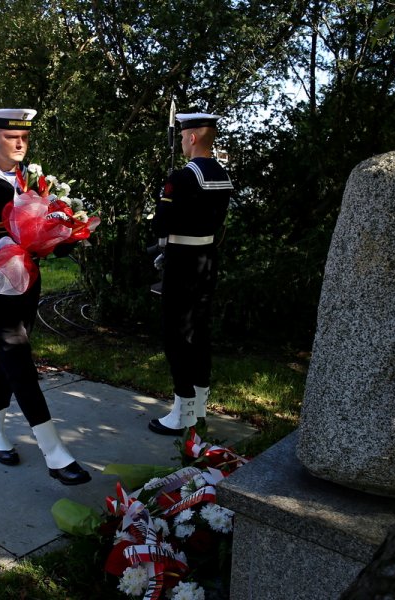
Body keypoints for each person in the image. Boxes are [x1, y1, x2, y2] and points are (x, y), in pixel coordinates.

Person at [0, 108, 91, 486]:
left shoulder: (32, 179)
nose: (21, 143)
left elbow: (43, 229)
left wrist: (59, 239)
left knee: (6, 358)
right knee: (18, 355)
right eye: (12, 137)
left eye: (25, 137)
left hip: (29, 282)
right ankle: (54, 452)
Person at [148, 113, 233, 436]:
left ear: (193, 137)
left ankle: (182, 410)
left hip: (182, 260)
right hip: (207, 258)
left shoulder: (182, 177)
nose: (182, 142)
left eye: (184, 137)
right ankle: (199, 405)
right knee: (199, 331)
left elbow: (161, 224)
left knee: (176, 334)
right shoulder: (221, 174)